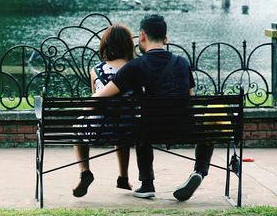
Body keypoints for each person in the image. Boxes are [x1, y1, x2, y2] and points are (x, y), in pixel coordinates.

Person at [92, 14, 214, 202]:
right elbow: (190, 100)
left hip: (150, 130)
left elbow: (100, 96)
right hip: (185, 129)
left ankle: (147, 183)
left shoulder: (135, 66)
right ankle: (199, 171)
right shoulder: (182, 63)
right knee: (208, 129)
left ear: (142, 37)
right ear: (166, 39)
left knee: (141, 126)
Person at [73, 24, 136, 198]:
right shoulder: (136, 68)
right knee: (122, 126)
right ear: (128, 45)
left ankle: (85, 172)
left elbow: (96, 96)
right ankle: (123, 177)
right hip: (129, 128)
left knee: (79, 126)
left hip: (99, 128)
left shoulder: (96, 70)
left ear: (105, 45)